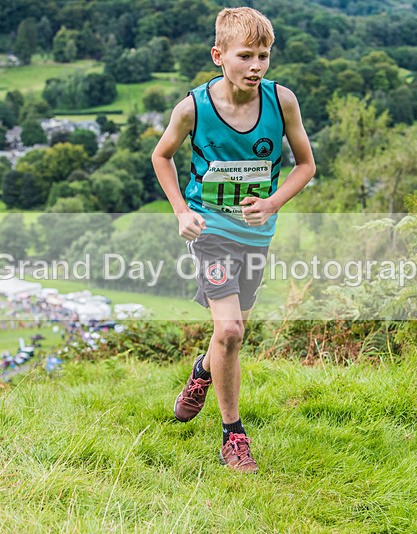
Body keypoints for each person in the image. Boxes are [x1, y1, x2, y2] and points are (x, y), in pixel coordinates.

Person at [152, 7, 315, 473]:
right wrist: (182, 211)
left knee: (232, 334)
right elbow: (161, 156)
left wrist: (272, 203)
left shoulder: (282, 102)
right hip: (210, 231)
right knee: (229, 331)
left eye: (264, 56)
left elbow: (306, 165)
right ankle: (233, 435)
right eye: (245, 56)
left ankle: (203, 371)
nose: (256, 66)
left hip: (257, 233)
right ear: (218, 55)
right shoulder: (193, 108)